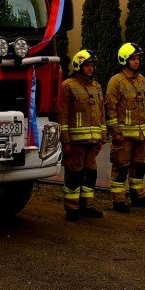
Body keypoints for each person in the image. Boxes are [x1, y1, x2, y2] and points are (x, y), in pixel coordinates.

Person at [106, 42, 145, 213]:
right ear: (125, 60)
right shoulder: (116, 82)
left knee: (139, 167)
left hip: (141, 135)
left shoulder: (141, 80)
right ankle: (118, 200)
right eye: (133, 59)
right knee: (121, 168)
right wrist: (116, 132)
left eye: (138, 59)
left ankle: (138, 196)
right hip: (124, 136)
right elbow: (110, 109)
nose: (137, 62)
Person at [59, 50, 107, 222]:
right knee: (74, 174)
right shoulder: (68, 86)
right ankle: (72, 209)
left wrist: (102, 138)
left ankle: (88, 206)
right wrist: (65, 140)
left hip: (92, 141)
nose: (90, 68)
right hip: (75, 142)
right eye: (87, 65)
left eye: (92, 65)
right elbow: (63, 115)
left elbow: (101, 113)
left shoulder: (97, 86)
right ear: (78, 66)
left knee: (91, 174)